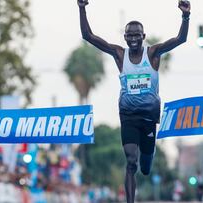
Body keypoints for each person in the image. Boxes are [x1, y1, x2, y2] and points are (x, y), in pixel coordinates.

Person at [77, 0, 190, 202]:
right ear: (125, 37)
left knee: (145, 168)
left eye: (137, 35)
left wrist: (185, 16)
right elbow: (88, 36)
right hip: (128, 116)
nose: (133, 39)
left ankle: (149, 153)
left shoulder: (153, 54)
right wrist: (82, 7)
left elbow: (180, 39)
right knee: (131, 161)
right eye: (129, 35)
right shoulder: (120, 55)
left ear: (143, 36)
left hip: (148, 118)